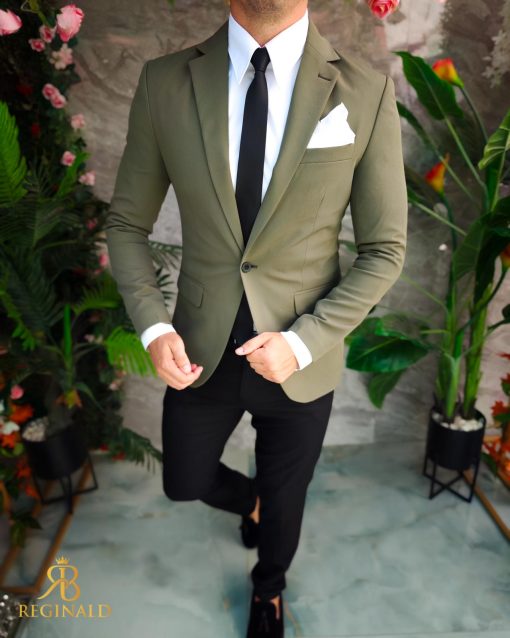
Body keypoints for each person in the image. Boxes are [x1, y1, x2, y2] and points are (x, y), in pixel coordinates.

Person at [105, 0, 408, 635]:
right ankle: (254, 503)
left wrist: (304, 343)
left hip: (301, 357)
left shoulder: (367, 92)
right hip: (199, 348)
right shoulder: (166, 81)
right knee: (184, 482)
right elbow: (127, 224)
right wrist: (154, 327)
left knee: (289, 500)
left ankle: (269, 591)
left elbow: (384, 250)